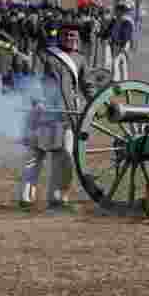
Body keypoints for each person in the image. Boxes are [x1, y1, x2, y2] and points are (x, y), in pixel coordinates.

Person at [17, 21, 88, 211]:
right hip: (45, 111)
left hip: (67, 114)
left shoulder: (80, 59)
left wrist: (97, 102)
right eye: (66, 35)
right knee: (35, 154)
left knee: (64, 156)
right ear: (59, 36)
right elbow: (34, 78)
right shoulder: (45, 55)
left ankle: (57, 198)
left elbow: (86, 86)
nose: (70, 39)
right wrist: (37, 100)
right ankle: (26, 197)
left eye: (73, 36)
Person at [110, 0, 135, 81]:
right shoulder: (119, 19)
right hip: (120, 44)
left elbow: (126, 35)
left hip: (121, 44)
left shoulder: (126, 20)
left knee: (116, 62)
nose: (116, 12)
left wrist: (122, 45)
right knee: (122, 63)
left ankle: (116, 80)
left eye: (117, 10)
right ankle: (124, 81)